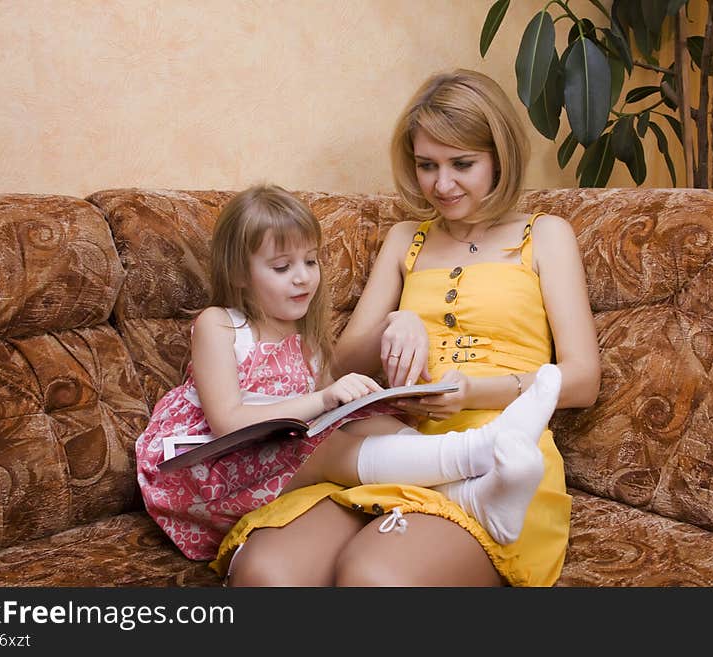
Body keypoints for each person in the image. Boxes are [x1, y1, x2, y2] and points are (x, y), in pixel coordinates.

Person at [214, 69, 601, 587]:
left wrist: (470, 394)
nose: (442, 185)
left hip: (500, 452)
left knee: (375, 578)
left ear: (500, 157)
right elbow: (338, 367)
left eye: (462, 164)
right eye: (427, 165)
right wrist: (401, 321)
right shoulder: (405, 240)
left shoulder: (545, 236)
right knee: (266, 574)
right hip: (385, 444)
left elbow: (581, 379)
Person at [135, 182, 564, 562]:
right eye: (282, 267)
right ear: (239, 274)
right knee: (325, 448)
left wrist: (363, 394)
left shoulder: (303, 338)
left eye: (311, 261)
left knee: (366, 419)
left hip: (271, 460)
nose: (303, 279)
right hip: (202, 473)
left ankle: (478, 496)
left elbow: (327, 411)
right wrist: (324, 397)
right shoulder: (220, 324)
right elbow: (227, 421)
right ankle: (480, 449)